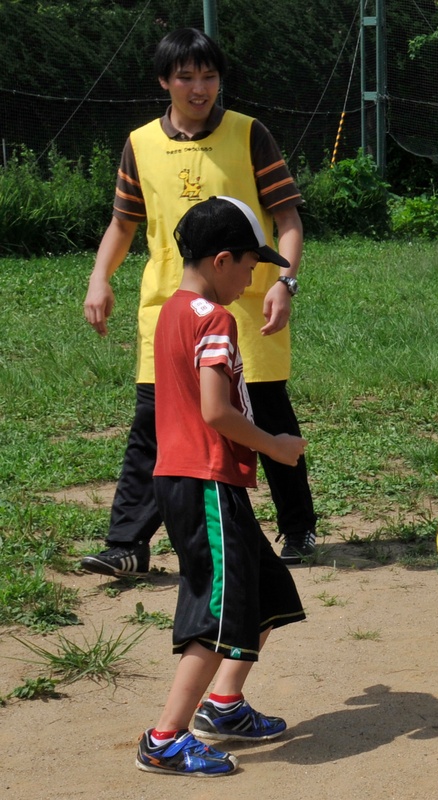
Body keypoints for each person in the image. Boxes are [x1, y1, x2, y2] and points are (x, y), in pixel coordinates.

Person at [81, 27, 316, 575]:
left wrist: (285, 283)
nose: (199, 87)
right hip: (168, 309)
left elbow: (288, 221)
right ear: (164, 81)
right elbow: (122, 224)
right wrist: (100, 278)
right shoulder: (140, 143)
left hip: (246, 305)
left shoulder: (250, 134)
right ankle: (127, 546)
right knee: (154, 423)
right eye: (186, 77)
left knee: (264, 410)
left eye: (209, 76)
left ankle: (299, 526)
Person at [135, 196, 307, 777]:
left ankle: (225, 705)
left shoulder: (171, 310)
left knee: (267, 590)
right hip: (202, 480)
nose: (254, 276)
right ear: (221, 259)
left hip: (191, 479)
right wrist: (275, 446)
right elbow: (215, 410)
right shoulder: (213, 316)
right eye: (250, 266)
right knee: (215, 614)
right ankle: (164, 738)